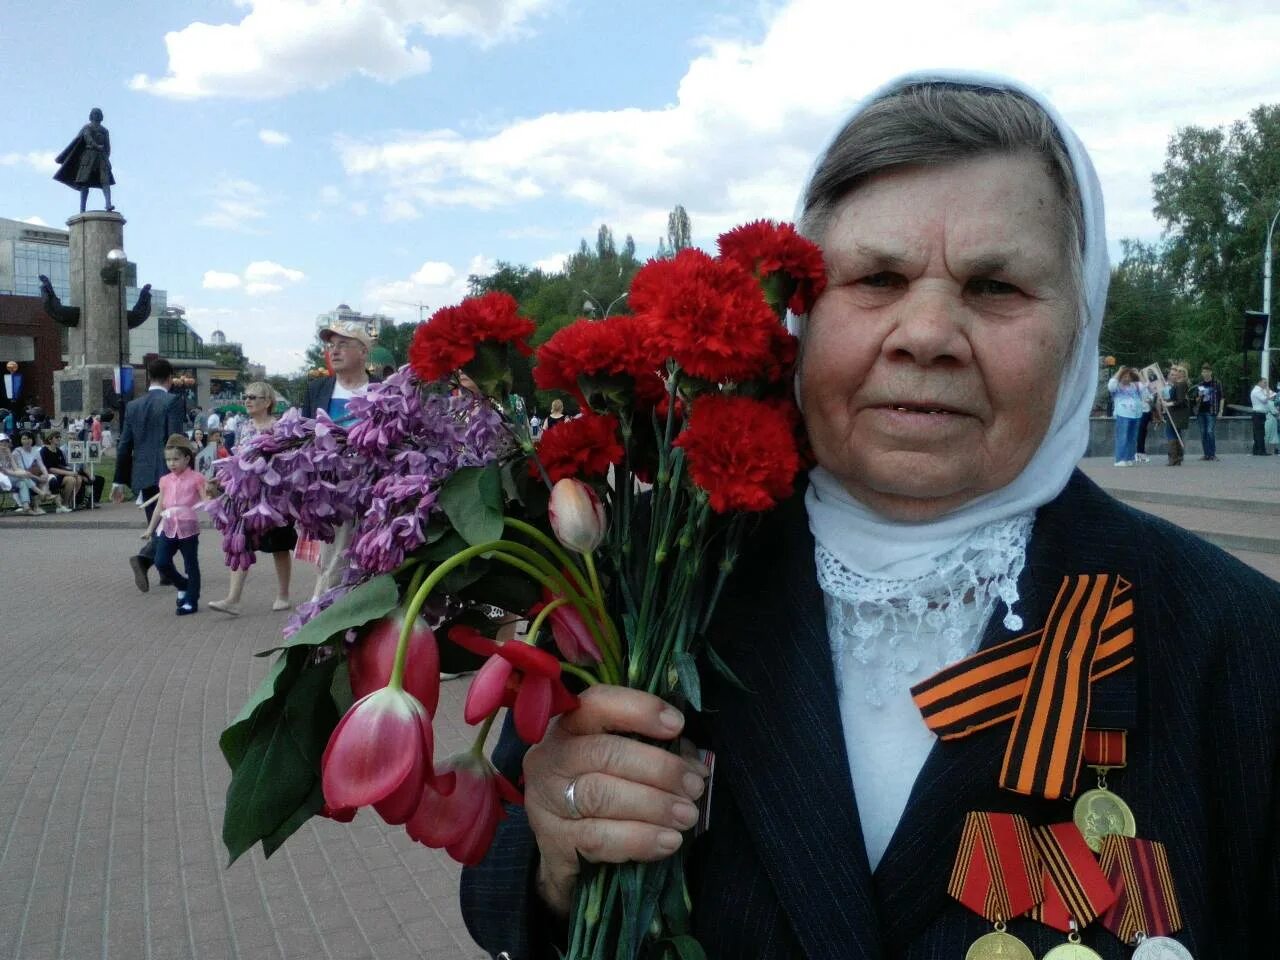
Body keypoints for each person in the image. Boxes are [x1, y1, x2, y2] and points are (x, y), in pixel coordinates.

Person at [461, 73, 1280, 959]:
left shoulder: (1233, 641)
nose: (925, 333)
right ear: (801, 317)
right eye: (878, 278)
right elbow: (501, 892)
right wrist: (555, 855)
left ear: (1079, 327)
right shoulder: (640, 589)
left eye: (996, 286)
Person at [301, 320, 377, 598]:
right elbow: (304, 437)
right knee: (334, 559)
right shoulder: (318, 389)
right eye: (331, 345)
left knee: (370, 558)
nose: (334, 351)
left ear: (363, 352)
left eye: (343, 344)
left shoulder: (382, 389)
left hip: (372, 488)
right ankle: (323, 613)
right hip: (330, 492)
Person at [208, 382, 295, 615]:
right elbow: (237, 457)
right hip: (245, 496)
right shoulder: (243, 427)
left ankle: (283, 595)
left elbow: (287, 459)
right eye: (245, 396)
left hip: (274, 496)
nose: (247, 400)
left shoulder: (279, 427)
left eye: (253, 397)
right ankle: (233, 599)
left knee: (279, 546)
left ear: (267, 402)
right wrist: (223, 479)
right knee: (241, 544)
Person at [113, 358, 187, 591]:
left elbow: (124, 444)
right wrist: (184, 468)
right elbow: (174, 439)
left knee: (158, 523)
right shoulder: (173, 401)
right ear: (170, 378)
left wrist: (118, 480)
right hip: (168, 471)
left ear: (148, 377)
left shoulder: (134, 406)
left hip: (142, 473)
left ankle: (165, 571)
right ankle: (144, 559)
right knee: (174, 523)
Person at [139, 434, 206, 615]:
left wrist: (214, 504)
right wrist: (150, 529)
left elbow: (207, 500)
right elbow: (159, 506)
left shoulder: (197, 478)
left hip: (188, 527)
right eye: (168, 460)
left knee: (190, 564)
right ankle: (182, 584)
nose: (171, 463)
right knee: (161, 561)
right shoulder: (165, 481)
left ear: (186, 458)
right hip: (167, 527)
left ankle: (191, 601)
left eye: (176, 459)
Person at [52, 107, 114, 213]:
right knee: (85, 183)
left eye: (98, 114)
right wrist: (96, 146)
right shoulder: (87, 127)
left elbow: (108, 146)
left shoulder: (104, 130)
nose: (97, 115)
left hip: (101, 157)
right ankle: (82, 209)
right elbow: (87, 138)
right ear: (91, 115)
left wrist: (106, 156)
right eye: (95, 113)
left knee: (105, 180)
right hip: (88, 157)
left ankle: (108, 204)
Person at [0, 433, 48, 515]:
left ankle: (26, 508)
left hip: (8, 478)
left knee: (22, 482)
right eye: (2, 442)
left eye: (6, 441)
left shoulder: (8, 452)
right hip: (2, 478)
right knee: (23, 477)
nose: (4, 444)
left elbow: (15, 468)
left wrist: (24, 472)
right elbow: (4, 471)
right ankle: (40, 492)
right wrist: (22, 474)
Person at [1106, 367, 1144, 467]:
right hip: (1123, 414)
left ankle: (1129, 458)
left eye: (1128, 376)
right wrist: (1119, 371)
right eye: (1124, 376)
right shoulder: (1117, 387)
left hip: (1136, 414)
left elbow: (1145, 387)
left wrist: (1138, 374)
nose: (1126, 378)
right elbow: (1111, 385)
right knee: (1122, 436)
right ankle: (1119, 459)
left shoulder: (1135, 385)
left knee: (1132, 437)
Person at [39, 430, 83, 511]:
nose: (59, 439)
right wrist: (68, 472)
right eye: (56, 437)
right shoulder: (44, 451)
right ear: (50, 439)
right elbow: (50, 469)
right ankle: (64, 503)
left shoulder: (59, 451)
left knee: (79, 479)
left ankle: (68, 502)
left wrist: (71, 469)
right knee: (71, 480)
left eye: (59, 437)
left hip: (59, 475)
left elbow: (62, 465)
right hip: (49, 477)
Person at [1193, 364, 1224, 461]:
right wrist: (1199, 396)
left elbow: (1222, 397)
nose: (1205, 373)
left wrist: (1220, 411)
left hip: (1212, 411)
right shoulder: (1200, 384)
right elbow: (1196, 399)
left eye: (1207, 371)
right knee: (1203, 433)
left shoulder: (1216, 383)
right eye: (1204, 372)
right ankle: (1206, 454)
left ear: (1211, 372)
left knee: (1210, 431)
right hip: (1201, 411)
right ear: (1202, 373)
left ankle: (1212, 454)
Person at [1162, 364, 1191, 466]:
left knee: (1171, 433)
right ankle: (1177, 458)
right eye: (1176, 371)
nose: (1176, 373)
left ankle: (1174, 458)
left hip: (1177, 413)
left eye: (1179, 371)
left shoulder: (1181, 384)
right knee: (1175, 433)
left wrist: (1169, 403)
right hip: (1175, 412)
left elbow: (1180, 401)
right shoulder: (1178, 384)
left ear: (1183, 374)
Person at [1249, 377, 1272, 456]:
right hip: (1258, 414)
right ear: (1259, 382)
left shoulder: (1258, 390)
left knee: (1257, 433)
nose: (1265, 384)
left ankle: (1256, 450)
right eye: (1264, 382)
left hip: (1258, 414)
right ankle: (1261, 451)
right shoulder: (1257, 391)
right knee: (1260, 433)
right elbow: (1264, 399)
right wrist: (1268, 392)